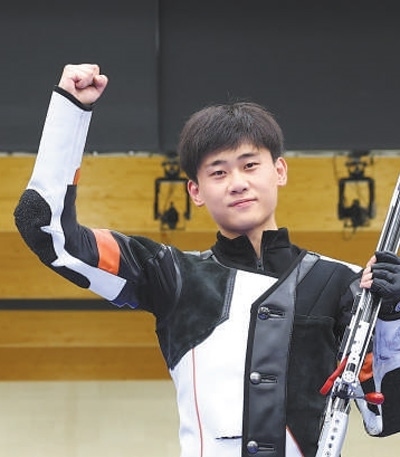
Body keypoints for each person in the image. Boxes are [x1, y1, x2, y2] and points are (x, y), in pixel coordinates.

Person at [14, 63, 400, 457]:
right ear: (195, 191)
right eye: (218, 172)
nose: (238, 183)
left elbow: (385, 417)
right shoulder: (170, 275)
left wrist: (394, 316)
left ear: (279, 170)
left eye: (250, 165)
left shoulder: (346, 283)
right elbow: (45, 228)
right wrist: (71, 111)